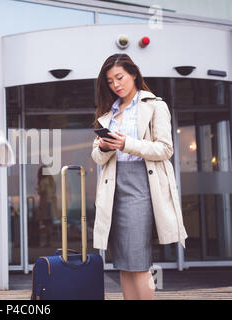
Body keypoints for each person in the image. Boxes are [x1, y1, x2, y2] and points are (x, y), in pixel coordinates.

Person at [91, 53, 188, 300]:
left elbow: (165, 149)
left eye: (120, 77)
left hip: (140, 185)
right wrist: (103, 148)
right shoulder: (108, 113)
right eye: (110, 82)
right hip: (113, 188)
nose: (116, 85)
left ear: (134, 73)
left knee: (138, 259)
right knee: (123, 261)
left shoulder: (155, 105)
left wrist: (127, 144)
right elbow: (96, 156)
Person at [36, 165, 57, 247]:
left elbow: (41, 191)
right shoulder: (51, 180)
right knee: (49, 223)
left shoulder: (43, 181)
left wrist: (37, 189)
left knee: (46, 222)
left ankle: (48, 241)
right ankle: (49, 240)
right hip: (51, 202)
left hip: (45, 203)